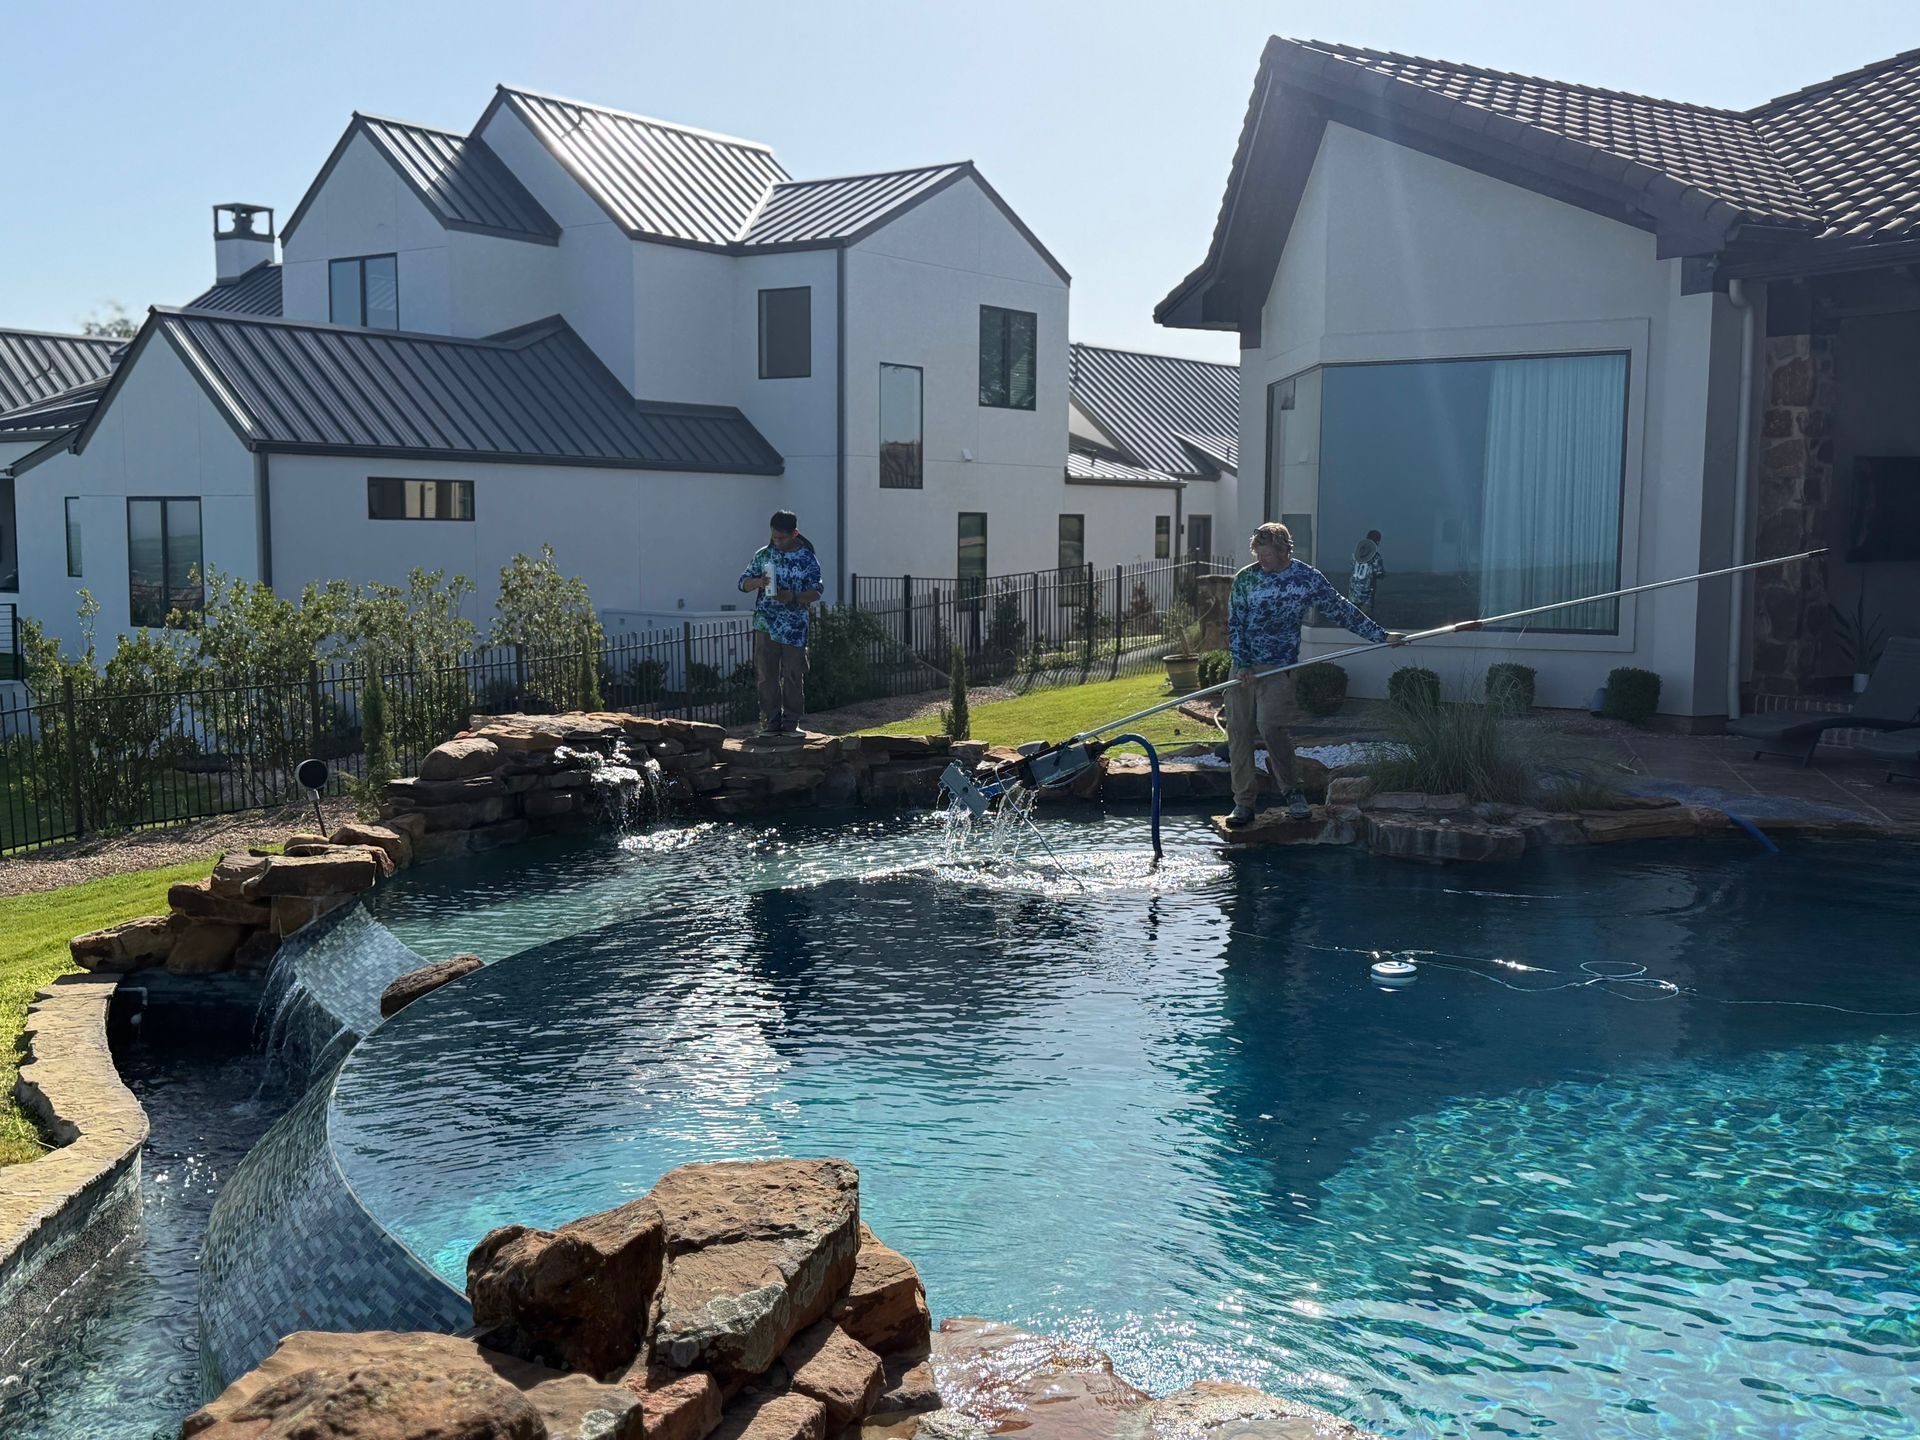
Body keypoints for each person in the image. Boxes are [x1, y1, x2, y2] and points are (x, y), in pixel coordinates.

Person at [1226, 521, 1400, 828]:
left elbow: (1341, 610)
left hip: (1280, 669)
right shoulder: (1246, 579)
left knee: (1271, 728)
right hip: (1243, 671)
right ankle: (1243, 803)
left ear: (1282, 550)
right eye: (1257, 553)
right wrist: (1242, 664)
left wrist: (1381, 636)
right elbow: (1235, 624)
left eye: (1266, 554)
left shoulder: (1306, 578)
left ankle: (1293, 793)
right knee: (1239, 733)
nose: (1261, 560)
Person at [737, 511, 823, 737]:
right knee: (767, 675)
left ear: (794, 534)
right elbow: (742, 583)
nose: (777, 542)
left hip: (794, 627)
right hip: (766, 624)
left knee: (793, 673)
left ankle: (791, 722)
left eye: (782, 538)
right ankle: (770, 722)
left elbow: (817, 591)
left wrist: (793, 597)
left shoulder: (806, 558)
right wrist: (758, 582)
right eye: (774, 537)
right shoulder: (764, 555)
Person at [1349, 530, 1385, 613]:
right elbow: (1379, 573)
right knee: (1365, 620)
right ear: (1377, 541)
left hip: (1352, 595)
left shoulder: (1355, 554)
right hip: (1366, 597)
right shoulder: (1375, 557)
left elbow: (1352, 566)